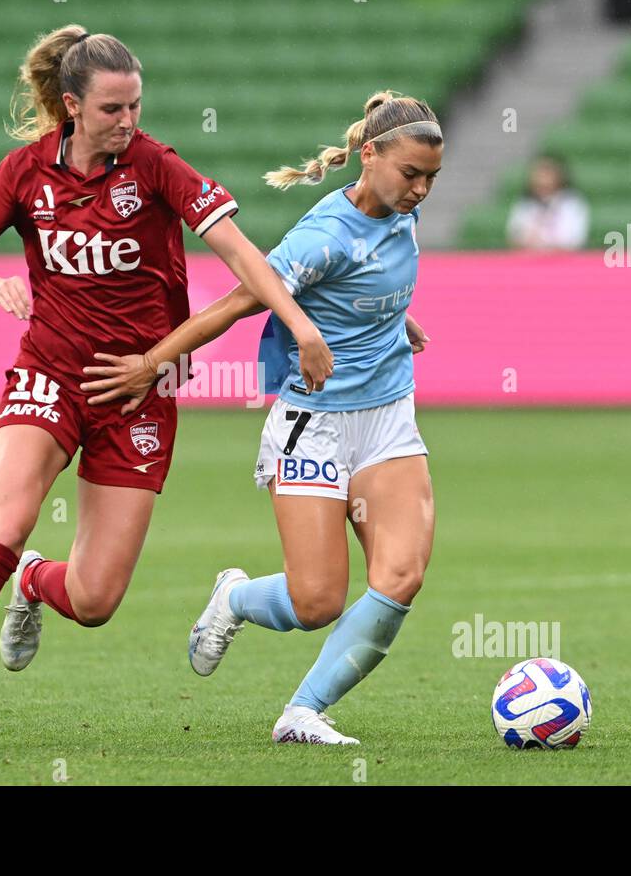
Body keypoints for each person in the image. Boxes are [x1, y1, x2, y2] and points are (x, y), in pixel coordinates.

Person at [0, 25, 333, 752]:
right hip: (49, 373)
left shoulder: (156, 166)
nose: (128, 122)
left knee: (95, 601)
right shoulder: (25, 174)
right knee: (3, 523)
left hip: (140, 392)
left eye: (135, 106)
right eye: (112, 110)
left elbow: (242, 255)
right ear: (72, 106)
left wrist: (299, 323)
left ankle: (34, 582)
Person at [81, 90, 440, 745]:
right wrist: (150, 363)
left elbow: (365, 284)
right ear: (370, 156)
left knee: (401, 576)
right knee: (318, 602)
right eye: (411, 174)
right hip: (317, 425)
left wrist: (394, 318)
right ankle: (236, 598)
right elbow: (237, 302)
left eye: (431, 179)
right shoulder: (323, 235)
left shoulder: (399, 213)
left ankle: (303, 712)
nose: (421, 190)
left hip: (389, 416)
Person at [505, 154, 589, 250]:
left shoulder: (572, 204)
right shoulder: (525, 204)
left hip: (563, 261)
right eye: (538, 173)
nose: (542, 179)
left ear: (559, 175)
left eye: (547, 173)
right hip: (530, 260)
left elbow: (575, 240)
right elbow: (514, 236)